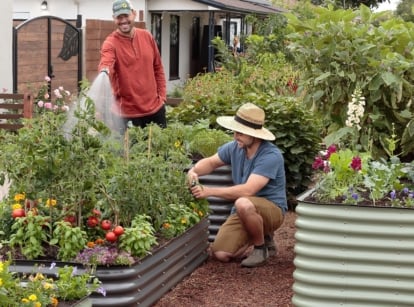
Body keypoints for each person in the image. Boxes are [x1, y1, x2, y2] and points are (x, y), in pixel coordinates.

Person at [187, 103, 287, 268]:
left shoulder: (270, 155)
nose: (235, 136)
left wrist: (209, 191)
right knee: (221, 254)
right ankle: (261, 233)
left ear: (253, 134)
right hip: (244, 210)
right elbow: (211, 163)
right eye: (235, 131)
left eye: (240, 132)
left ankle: (261, 248)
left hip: (272, 209)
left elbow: (249, 190)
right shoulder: (235, 148)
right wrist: (193, 171)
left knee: (243, 202)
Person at [99, 0, 167, 132]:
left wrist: (162, 97)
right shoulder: (110, 43)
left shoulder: (146, 36)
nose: (123, 20)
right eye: (119, 17)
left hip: (155, 110)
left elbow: (158, 67)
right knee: (130, 152)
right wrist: (105, 70)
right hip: (126, 114)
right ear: (114, 19)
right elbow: (107, 61)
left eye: (126, 15)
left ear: (134, 14)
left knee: (161, 151)